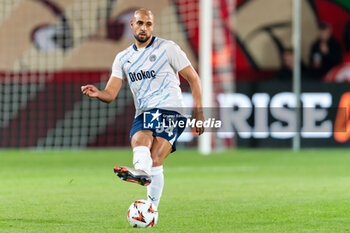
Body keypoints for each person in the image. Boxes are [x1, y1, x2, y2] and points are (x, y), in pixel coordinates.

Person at [81, 8, 204, 208]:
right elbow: (110, 94)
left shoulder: (167, 48)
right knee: (139, 140)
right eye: (140, 23)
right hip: (146, 113)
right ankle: (142, 176)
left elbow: (194, 78)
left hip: (172, 110)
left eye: (148, 24)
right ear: (132, 25)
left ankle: (150, 205)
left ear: (152, 27)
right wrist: (99, 93)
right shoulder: (123, 58)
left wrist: (199, 112)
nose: (144, 28)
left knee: (155, 158)